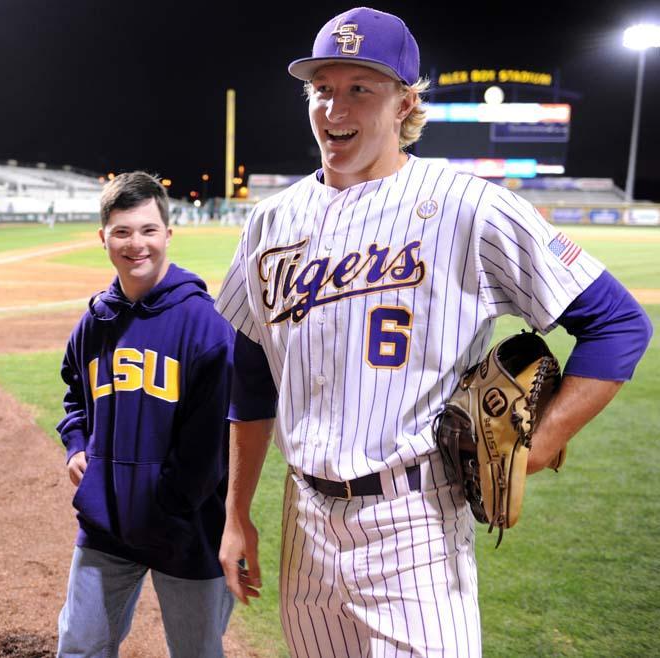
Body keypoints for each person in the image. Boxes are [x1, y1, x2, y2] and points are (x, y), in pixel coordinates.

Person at [215, 7, 653, 657]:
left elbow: (618, 323)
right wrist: (235, 513)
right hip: (302, 520)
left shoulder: (469, 206)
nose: (336, 108)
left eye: (360, 88)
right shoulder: (271, 223)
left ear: (405, 103)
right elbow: (250, 376)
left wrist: (539, 444)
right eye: (323, 89)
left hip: (413, 524)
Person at [56, 171, 235, 657]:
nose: (136, 244)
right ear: (104, 238)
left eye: (148, 230)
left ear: (168, 235)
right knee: (79, 647)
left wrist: (169, 506)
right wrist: (76, 443)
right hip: (106, 525)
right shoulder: (96, 321)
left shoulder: (206, 325)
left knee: (195, 653)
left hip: (187, 530)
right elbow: (75, 391)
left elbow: (212, 444)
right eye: (122, 231)